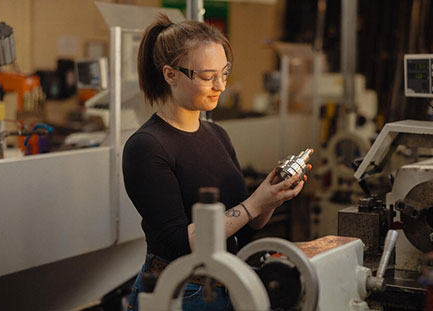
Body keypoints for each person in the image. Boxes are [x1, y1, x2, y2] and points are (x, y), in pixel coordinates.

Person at [122, 14, 310, 311]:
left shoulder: (217, 134)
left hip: (229, 285)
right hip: (181, 293)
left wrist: (270, 197)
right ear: (170, 75)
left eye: (225, 73)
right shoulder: (146, 146)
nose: (220, 86)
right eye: (208, 77)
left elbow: (245, 226)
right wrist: (253, 204)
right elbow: (180, 244)